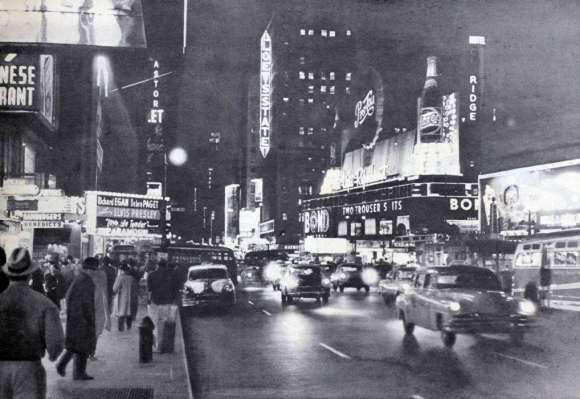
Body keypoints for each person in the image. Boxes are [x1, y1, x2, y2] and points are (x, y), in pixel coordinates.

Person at [0, 248, 64, 399]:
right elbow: (55, 343)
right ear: (29, 274)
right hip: (29, 368)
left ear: (8, 274)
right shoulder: (44, 304)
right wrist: (53, 356)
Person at [56, 257, 97, 380]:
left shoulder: (79, 278)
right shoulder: (87, 281)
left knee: (75, 345)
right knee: (82, 346)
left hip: (75, 317)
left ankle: (67, 368)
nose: (95, 272)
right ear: (90, 269)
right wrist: (90, 319)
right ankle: (77, 372)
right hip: (83, 318)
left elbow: (68, 296)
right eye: (94, 270)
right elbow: (87, 303)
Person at [147, 259, 179, 351]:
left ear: (158, 265)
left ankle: (157, 347)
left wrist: (149, 301)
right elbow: (175, 290)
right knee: (166, 324)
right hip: (167, 303)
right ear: (166, 265)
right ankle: (166, 346)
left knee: (155, 324)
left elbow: (149, 290)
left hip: (155, 303)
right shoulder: (171, 275)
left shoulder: (152, 275)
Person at [85, 260, 111, 360]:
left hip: (92, 304)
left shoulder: (84, 276)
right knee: (95, 331)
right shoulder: (102, 274)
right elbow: (105, 290)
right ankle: (91, 353)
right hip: (98, 304)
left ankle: (87, 352)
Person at [113, 263, 138, 331]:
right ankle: (129, 327)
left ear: (121, 270)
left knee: (121, 313)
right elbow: (135, 289)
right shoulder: (132, 278)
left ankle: (121, 329)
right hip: (131, 298)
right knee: (129, 312)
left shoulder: (119, 278)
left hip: (122, 299)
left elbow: (114, 289)